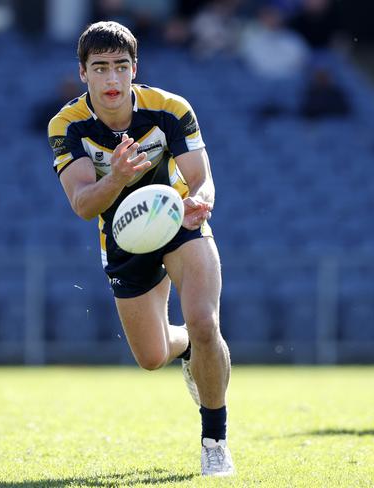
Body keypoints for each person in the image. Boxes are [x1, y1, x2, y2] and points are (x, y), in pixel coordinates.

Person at [47, 21, 234, 476]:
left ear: (135, 69)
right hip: (124, 236)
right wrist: (117, 176)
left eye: (120, 67)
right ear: (83, 72)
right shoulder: (67, 125)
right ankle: (189, 348)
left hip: (177, 220)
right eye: (100, 68)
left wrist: (200, 201)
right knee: (151, 358)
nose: (112, 79)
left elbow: (202, 176)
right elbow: (81, 205)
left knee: (206, 321)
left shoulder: (170, 108)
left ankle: (215, 440)